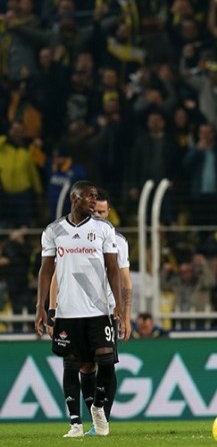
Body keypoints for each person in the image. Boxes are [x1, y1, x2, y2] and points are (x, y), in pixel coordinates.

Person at [34, 181, 125, 437]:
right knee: (72, 364)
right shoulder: (53, 231)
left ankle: (98, 406)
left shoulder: (104, 229)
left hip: (99, 311)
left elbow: (113, 269)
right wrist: (41, 308)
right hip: (68, 311)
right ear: (75, 198)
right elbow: (46, 271)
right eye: (90, 196)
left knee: (106, 362)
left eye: (96, 196)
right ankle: (75, 423)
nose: (94, 201)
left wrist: (118, 304)